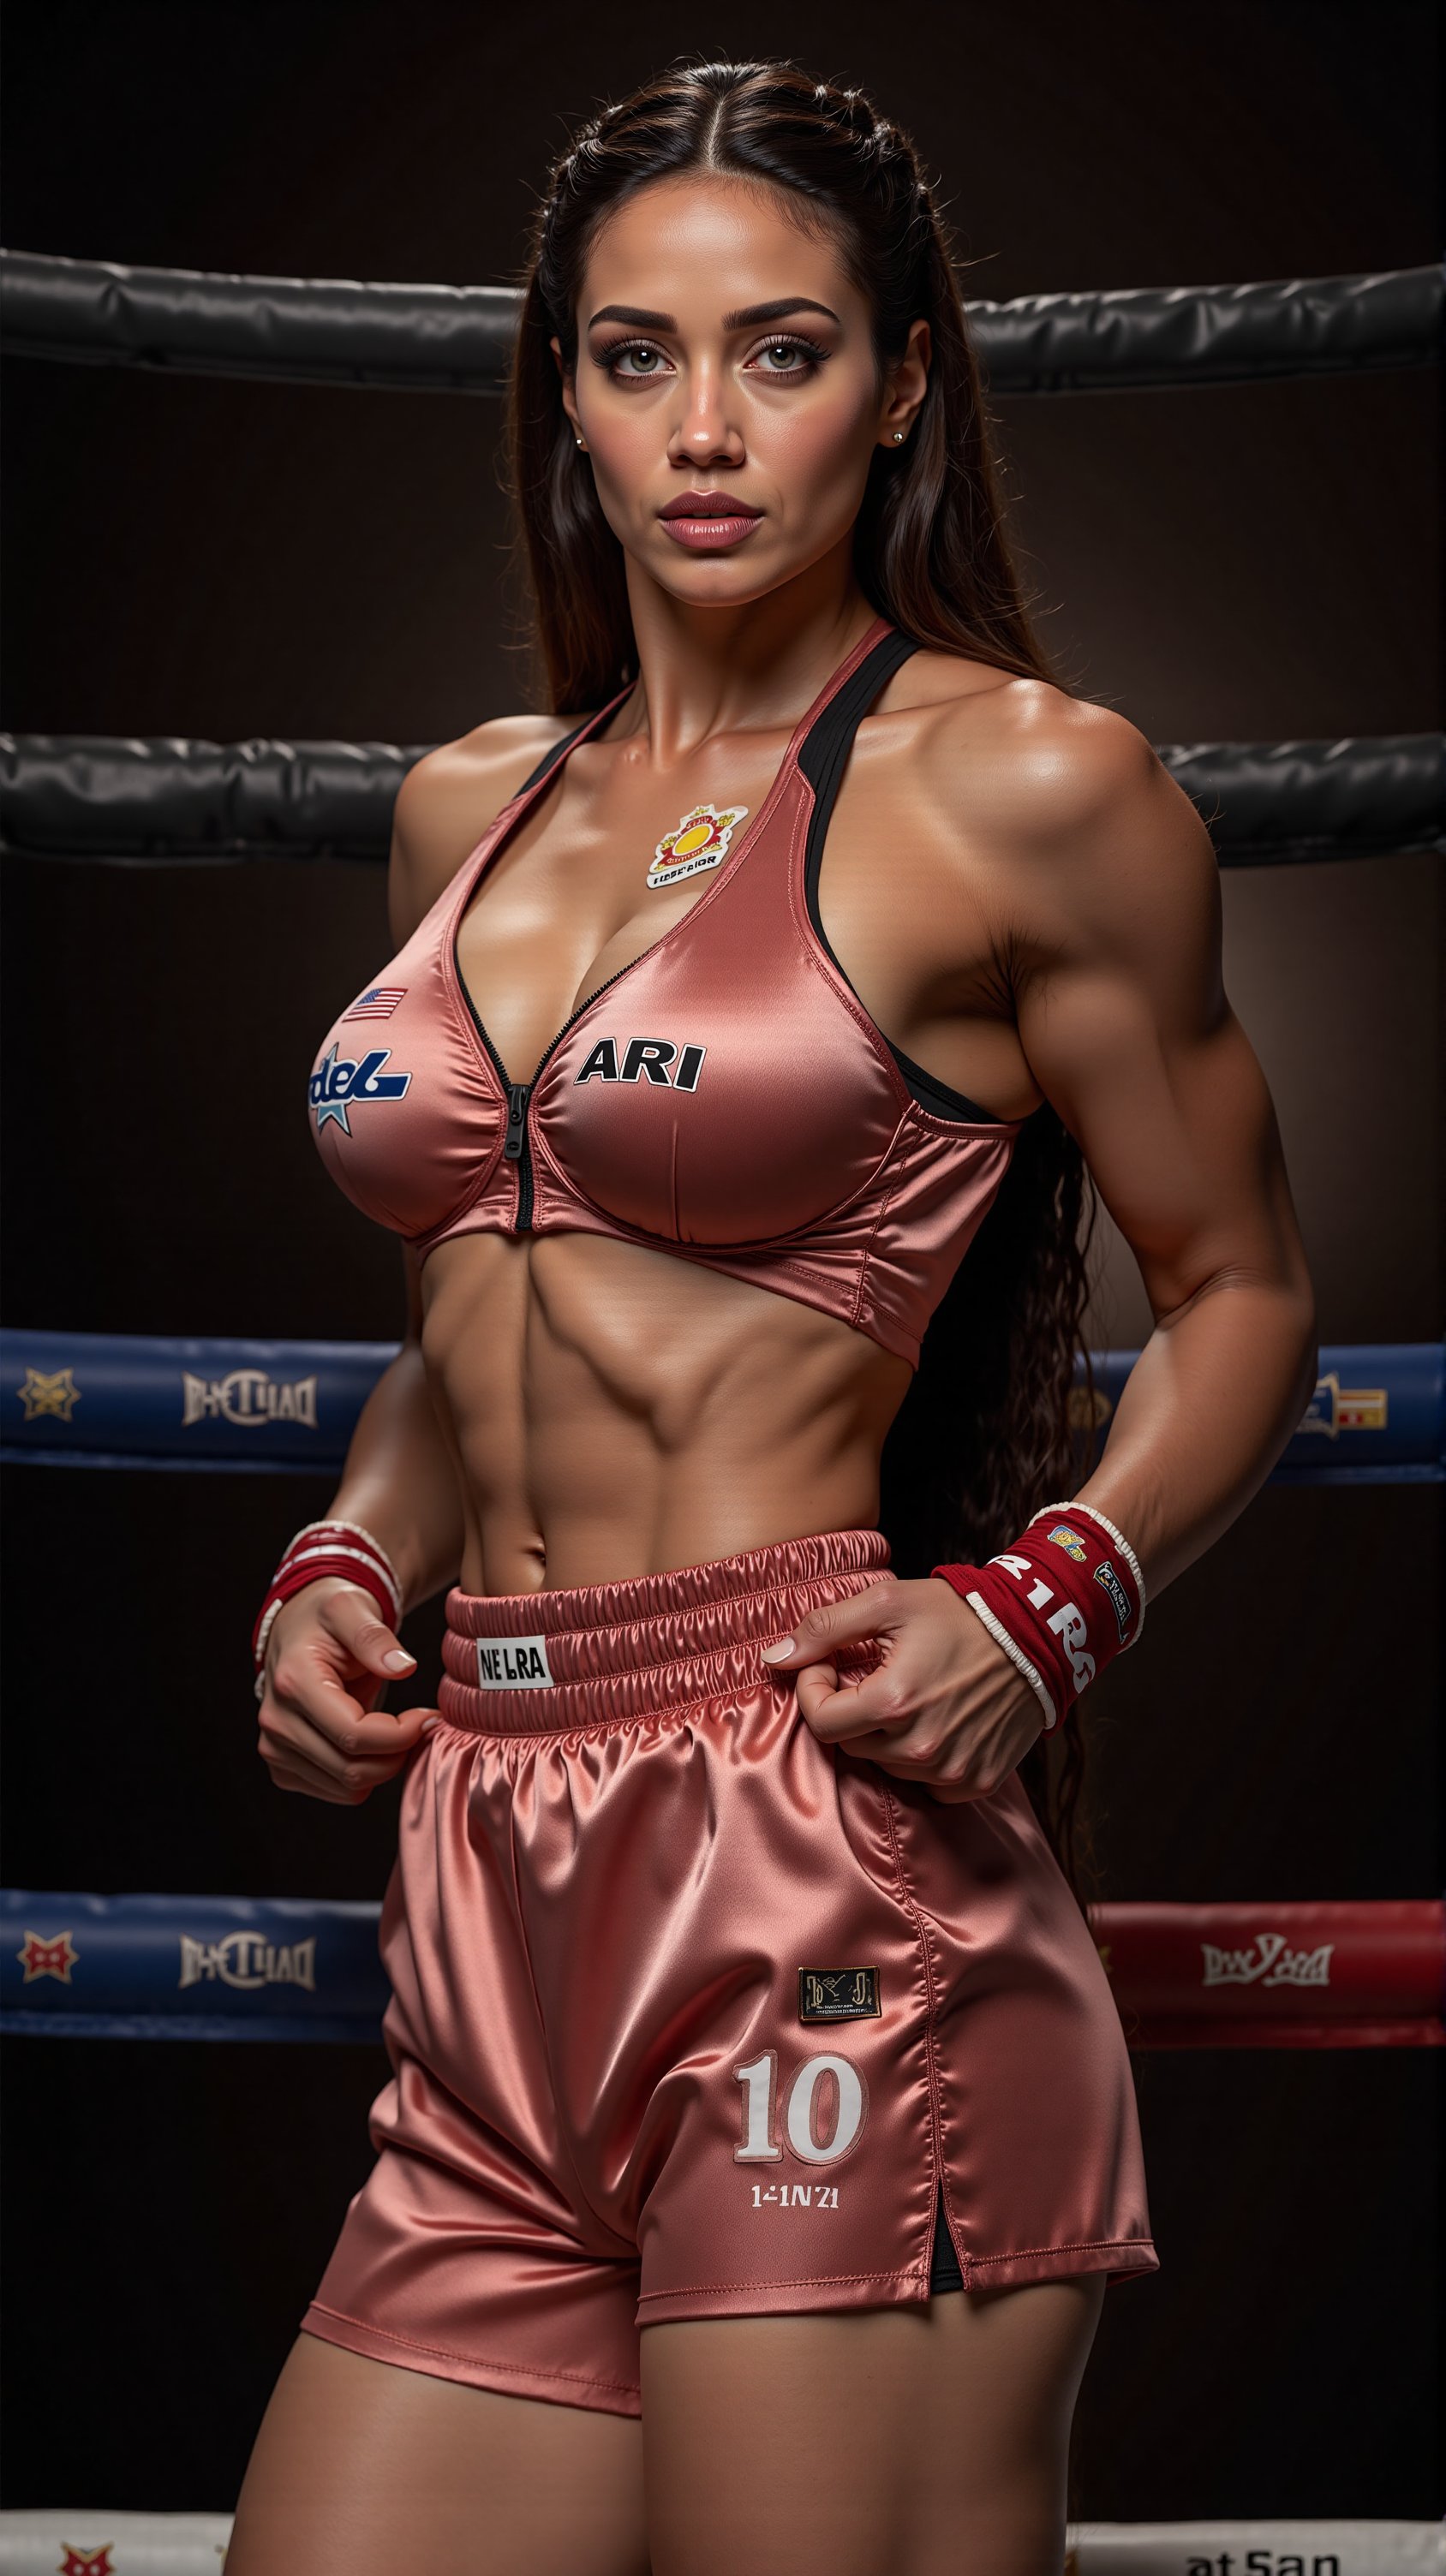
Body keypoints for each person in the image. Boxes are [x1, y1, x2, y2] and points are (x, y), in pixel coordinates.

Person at [226, 59, 1316, 2576]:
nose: (703, 432)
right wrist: (341, 1560)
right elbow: (469, 1312)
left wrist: (1047, 1609)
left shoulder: (1025, 789)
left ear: (909, 377)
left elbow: (1246, 1285)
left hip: (818, 1874)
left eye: (783, 352)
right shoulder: (462, 803)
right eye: (634, 358)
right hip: (487, 1872)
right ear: (563, 393)